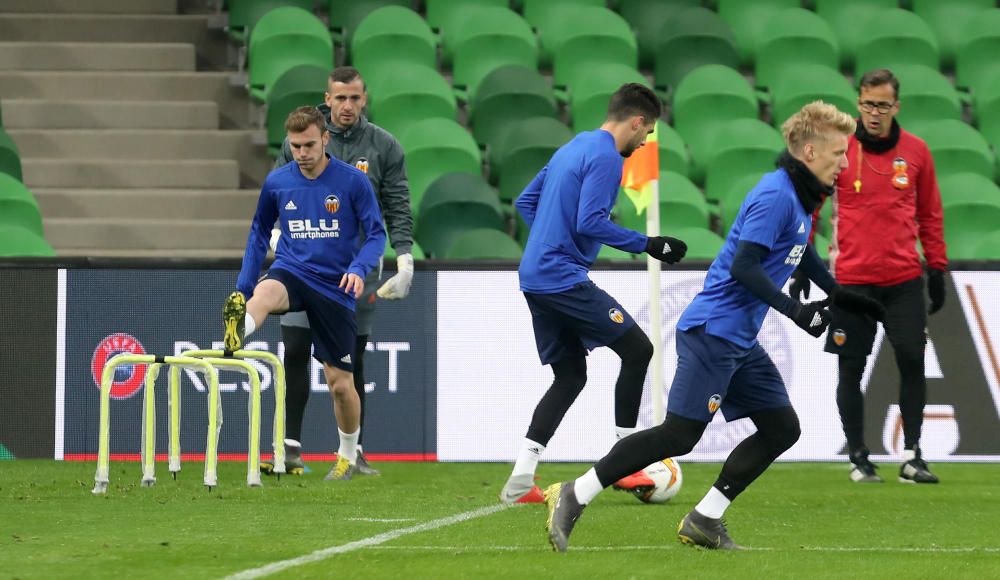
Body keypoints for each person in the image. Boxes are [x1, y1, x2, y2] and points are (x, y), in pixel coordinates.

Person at [543, 101, 886, 551]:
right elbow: (745, 266)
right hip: (714, 331)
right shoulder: (777, 195)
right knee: (678, 436)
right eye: (838, 153)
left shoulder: (800, 199)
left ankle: (705, 518)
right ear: (808, 152)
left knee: (782, 428)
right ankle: (576, 492)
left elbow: (804, 255)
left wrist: (851, 301)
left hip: (739, 338)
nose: (845, 162)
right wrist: (795, 311)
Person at [499, 83, 689, 505]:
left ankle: (518, 483)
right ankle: (626, 460)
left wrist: (550, 238)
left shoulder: (573, 146)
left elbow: (526, 202)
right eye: (648, 132)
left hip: (535, 275)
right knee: (639, 350)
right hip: (560, 278)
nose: (644, 142)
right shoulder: (606, 158)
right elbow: (590, 222)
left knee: (570, 376)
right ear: (636, 121)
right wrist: (649, 243)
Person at [790, 69, 948, 484]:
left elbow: (930, 214)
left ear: (897, 106)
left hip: (903, 279)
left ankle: (913, 454)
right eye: (867, 104)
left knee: (913, 359)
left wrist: (938, 268)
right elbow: (812, 206)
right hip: (851, 280)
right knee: (850, 368)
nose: (874, 113)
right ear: (858, 102)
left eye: (882, 105)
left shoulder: (916, 152)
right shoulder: (840, 150)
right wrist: (799, 261)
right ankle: (858, 455)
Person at [260, 66, 414, 477]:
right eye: (340, 98)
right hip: (302, 266)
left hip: (354, 271)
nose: (348, 106)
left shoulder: (384, 146)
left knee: (351, 362)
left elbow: (397, 205)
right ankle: (289, 449)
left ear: (365, 99)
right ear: (326, 100)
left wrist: (404, 258)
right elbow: (278, 192)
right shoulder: (304, 140)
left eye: (355, 98)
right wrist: (277, 239)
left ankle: (353, 452)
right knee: (293, 349)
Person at [223, 106, 386, 481]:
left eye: (309, 144)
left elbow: (376, 234)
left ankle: (347, 456)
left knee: (340, 384)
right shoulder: (278, 182)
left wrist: (359, 269)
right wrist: (242, 288)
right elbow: (258, 234)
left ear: (325, 138)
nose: (302, 153)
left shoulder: (352, 182)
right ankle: (239, 323)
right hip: (292, 271)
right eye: (295, 146)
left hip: (336, 286)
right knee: (265, 294)